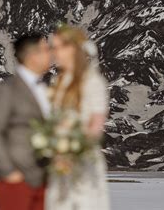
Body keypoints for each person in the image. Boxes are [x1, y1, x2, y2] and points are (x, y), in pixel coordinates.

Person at [46, 24, 111, 210]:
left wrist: (74, 149)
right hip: (59, 163)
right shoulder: (58, 82)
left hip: (83, 161)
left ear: (72, 49)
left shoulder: (92, 81)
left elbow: (96, 125)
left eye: (58, 48)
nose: (54, 53)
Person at [0, 33, 52, 210]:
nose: (50, 54)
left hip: (43, 179)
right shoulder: (8, 89)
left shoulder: (44, 89)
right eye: (45, 50)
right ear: (32, 56)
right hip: (16, 180)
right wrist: (9, 171)